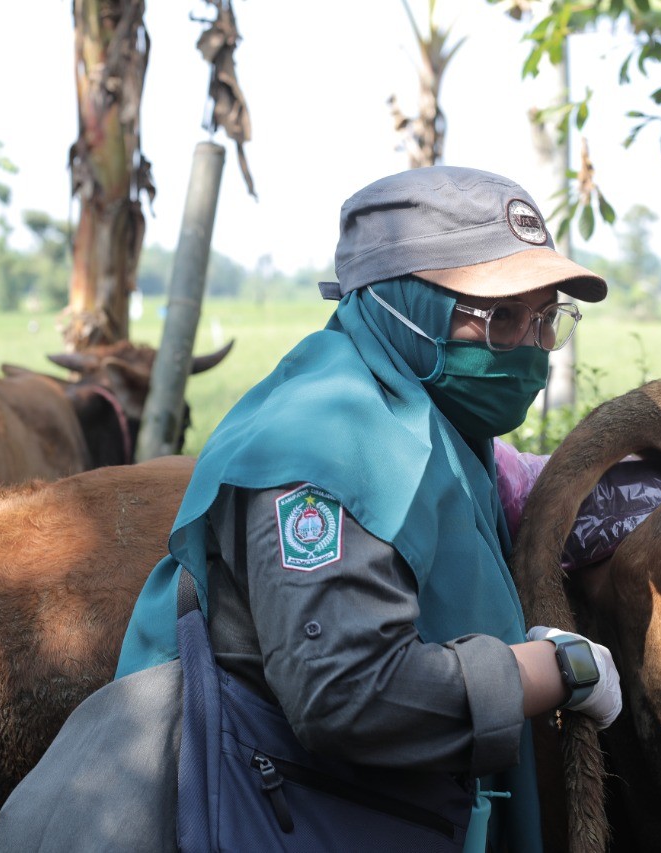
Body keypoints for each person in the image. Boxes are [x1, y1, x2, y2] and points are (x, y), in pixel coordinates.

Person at [116, 165, 623, 851]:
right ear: (401, 303)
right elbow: (347, 692)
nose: (529, 351)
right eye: (500, 319)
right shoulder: (321, 442)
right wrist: (552, 670)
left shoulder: (434, 427)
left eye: (544, 320)